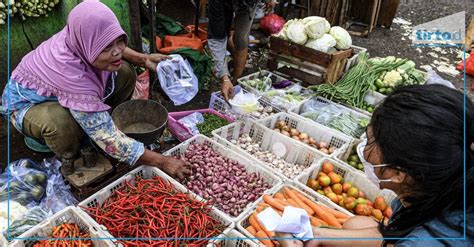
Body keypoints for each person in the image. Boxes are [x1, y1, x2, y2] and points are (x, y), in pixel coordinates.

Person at [1, 1, 190, 179]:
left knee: (124, 71)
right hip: (28, 105)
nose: (117, 51)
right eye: (107, 47)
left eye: (119, 41)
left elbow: (110, 44)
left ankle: (99, 122)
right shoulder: (72, 74)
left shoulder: (80, 35)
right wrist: (163, 162)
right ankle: (71, 153)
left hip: (61, 91)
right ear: (89, 44)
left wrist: (142, 59)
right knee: (59, 121)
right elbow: (109, 139)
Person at [277, 84, 474, 246]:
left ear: (398, 173)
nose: (363, 147)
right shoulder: (432, 190)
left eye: (371, 141)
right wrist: (319, 235)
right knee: (354, 224)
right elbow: (393, 234)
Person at [207, 0, 274, 101]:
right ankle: (229, 79)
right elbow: (217, 39)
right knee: (221, 32)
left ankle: (236, 81)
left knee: (240, 39)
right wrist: (224, 77)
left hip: (247, 6)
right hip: (222, 3)